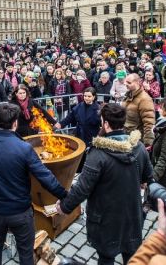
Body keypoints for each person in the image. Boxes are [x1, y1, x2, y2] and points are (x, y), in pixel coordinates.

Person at [0, 103, 67, 265]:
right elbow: (45, 178)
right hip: (20, 212)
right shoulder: (24, 148)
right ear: (15, 123)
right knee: (25, 251)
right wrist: (64, 196)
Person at [57, 103, 153, 265]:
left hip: (105, 219)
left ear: (106, 124)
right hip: (132, 215)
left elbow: (82, 187)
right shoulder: (139, 147)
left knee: (106, 258)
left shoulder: (98, 154)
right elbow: (148, 177)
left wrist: (65, 206)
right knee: (132, 257)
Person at [122, 73, 155, 146]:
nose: (125, 84)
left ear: (137, 82)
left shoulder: (145, 99)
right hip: (126, 136)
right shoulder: (128, 96)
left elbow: (149, 121)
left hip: (137, 139)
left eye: (129, 82)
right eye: (125, 82)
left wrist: (148, 142)